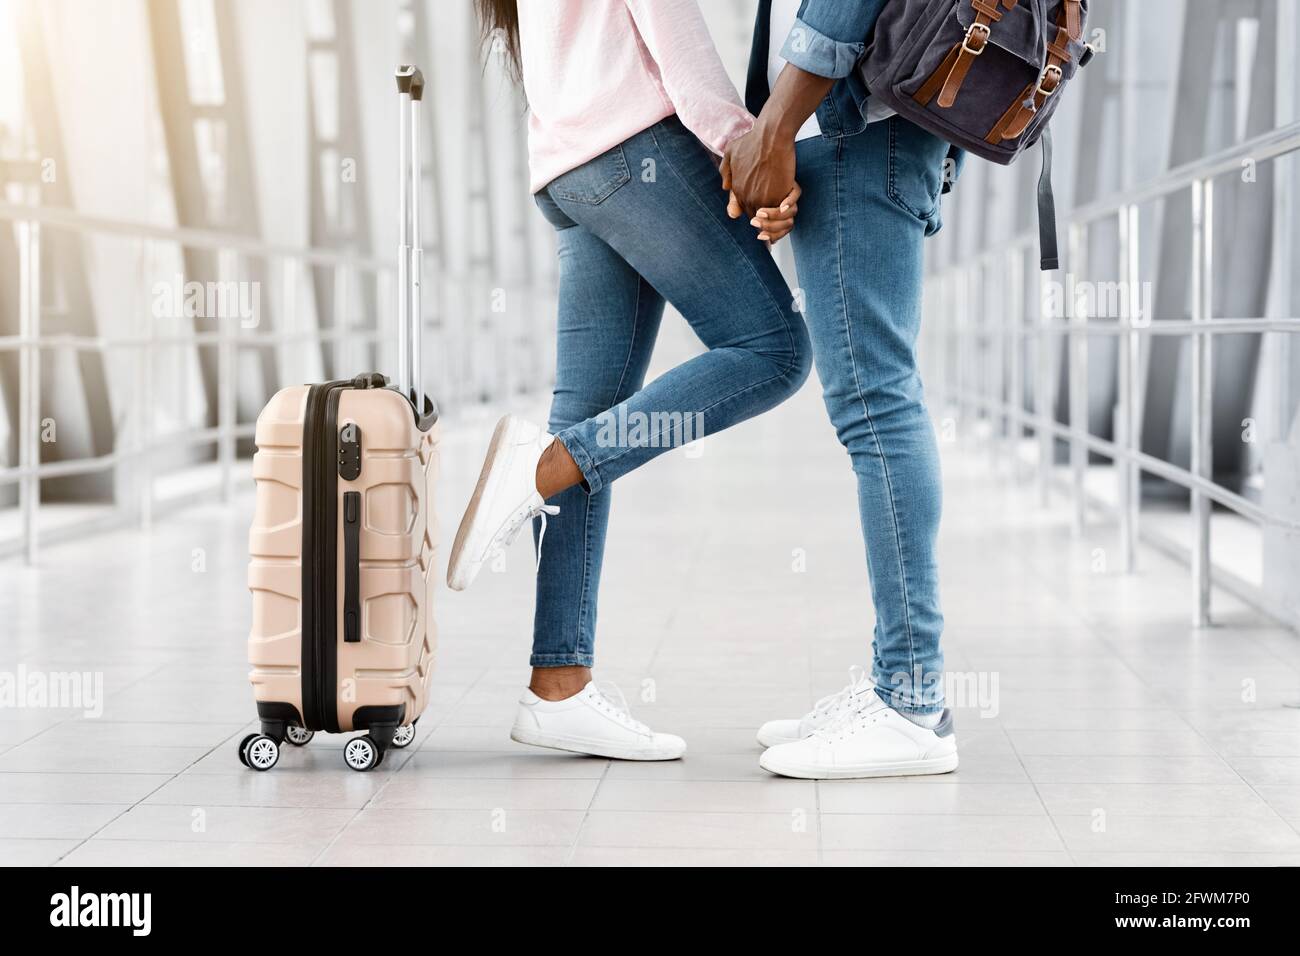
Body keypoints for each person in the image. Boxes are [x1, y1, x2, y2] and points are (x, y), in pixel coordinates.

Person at [448, 0, 811, 761]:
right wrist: (748, 148)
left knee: (589, 413)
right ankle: (539, 470)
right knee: (774, 349)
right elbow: (669, 24)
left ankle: (559, 687)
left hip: (570, 166)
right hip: (633, 149)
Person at [725, 0, 960, 779]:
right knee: (879, 402)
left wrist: (775, 128)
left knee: (877, 406)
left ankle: (911, 703)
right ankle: (902, 686)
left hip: (862, 135)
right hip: (879, 133)